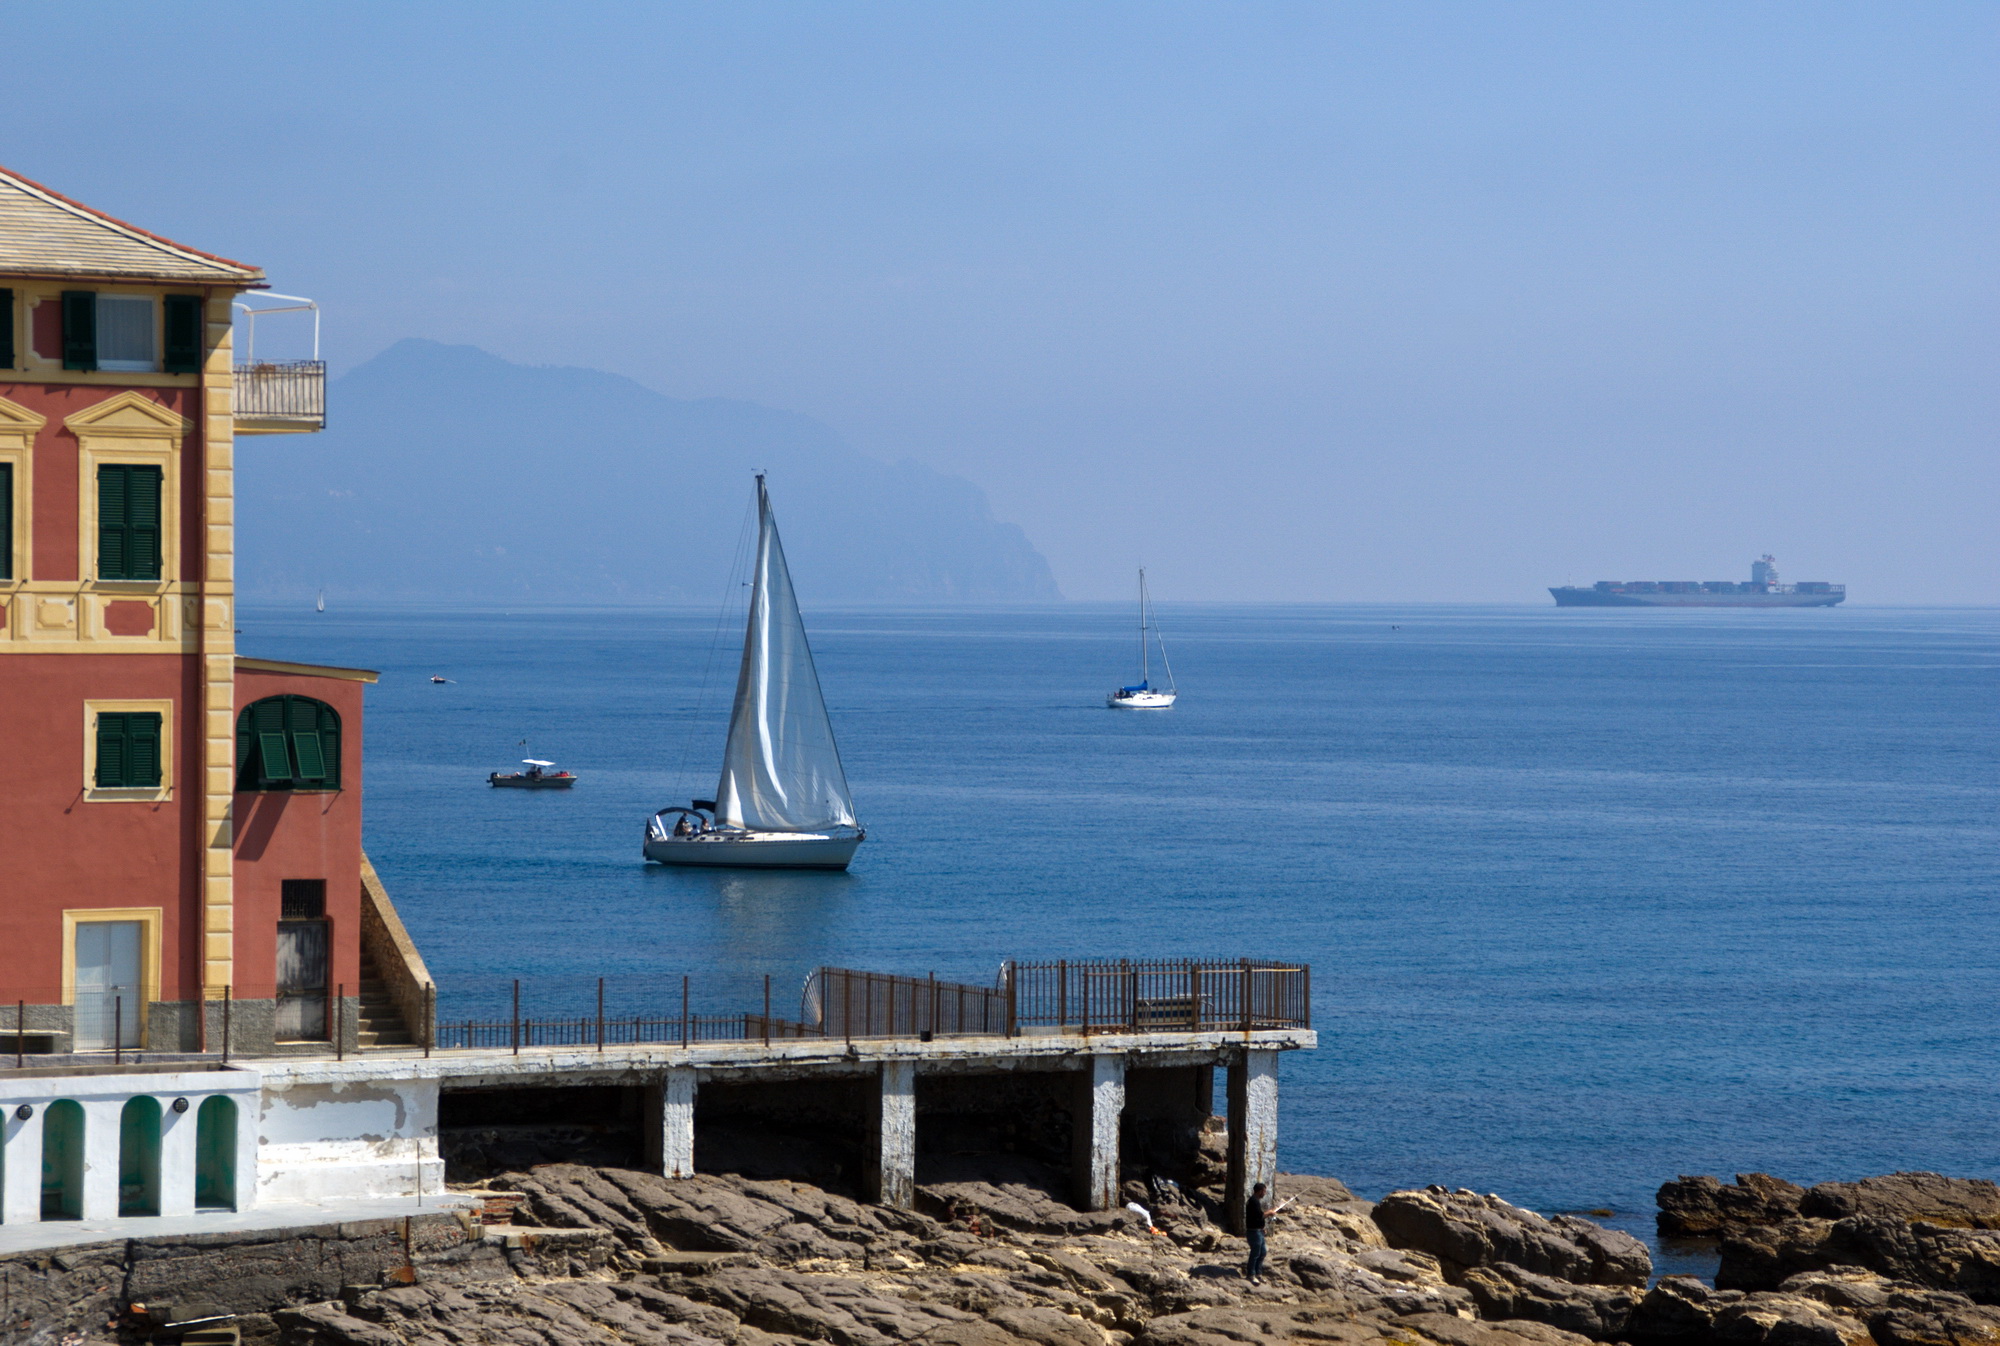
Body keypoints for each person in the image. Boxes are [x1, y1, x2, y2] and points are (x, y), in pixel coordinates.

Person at [1243, 1182, 1293, 1284]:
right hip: (1254, 1232)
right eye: (1264, 1191)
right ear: (1260, 1191)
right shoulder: (1253, 1201)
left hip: (1259, 1231)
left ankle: (1258, 1273)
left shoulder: (1255, 1201)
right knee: (1255, 1253)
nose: (1265, 1193)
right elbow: (1259, 1215)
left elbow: (1258, 1216)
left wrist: (1263, 1226)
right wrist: (1270, 1213)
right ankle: (1251, 1275)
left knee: (1263, 1252)